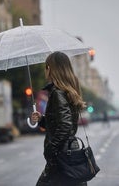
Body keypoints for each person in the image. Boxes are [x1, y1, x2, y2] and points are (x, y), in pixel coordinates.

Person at [31, 52, 87, 186]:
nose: (45, 70)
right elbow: (61, 122)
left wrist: (51, 148)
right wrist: (42, 119)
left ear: (50, 69)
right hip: (68, 152)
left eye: (46, 67)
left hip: (60, 157)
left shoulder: (57, 93)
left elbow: (65, 125)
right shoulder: (68, 90)